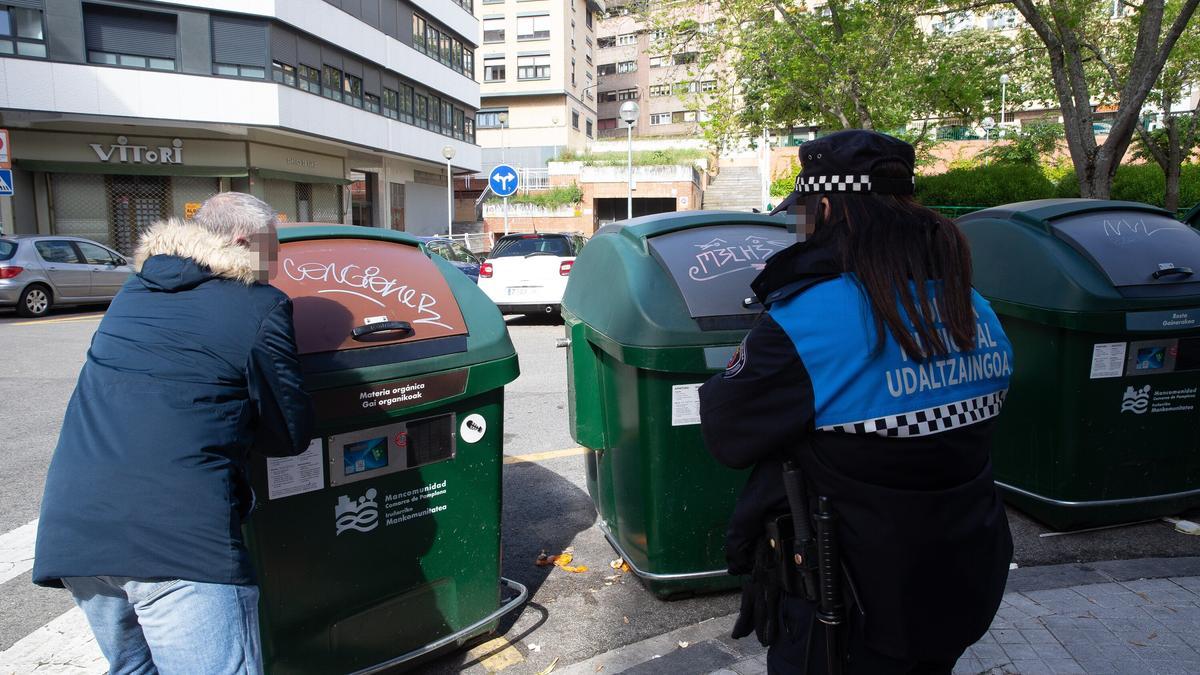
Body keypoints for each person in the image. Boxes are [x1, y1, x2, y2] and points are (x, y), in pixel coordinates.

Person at [699, 130, 1014, 675]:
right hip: (964, 577)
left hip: (849, 609)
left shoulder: (813, 317)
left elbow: (727, 435)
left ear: (823, 207)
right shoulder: (971, 304)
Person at [33, 192, 314, 674]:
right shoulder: (260, 304)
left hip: (77, 530)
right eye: (274, 244)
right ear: (243, 240)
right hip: (179, 542)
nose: (278, 257)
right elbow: (289, 433)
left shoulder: (134, 291)